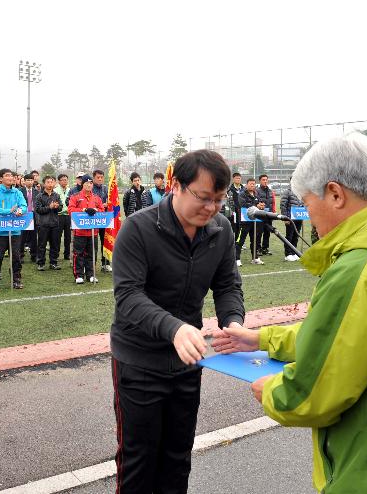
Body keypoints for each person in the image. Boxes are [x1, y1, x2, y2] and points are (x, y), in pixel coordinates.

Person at [212, 132, 367, 493]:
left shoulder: (360, 268)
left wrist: (272, 391)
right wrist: (260, 338)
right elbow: (345, 337)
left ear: (335, 194)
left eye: (308, 204)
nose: (309, 218)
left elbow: (315, 392)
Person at [111, 149, 245, 493]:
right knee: (138, 462)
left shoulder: (220, 230)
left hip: (188, 362)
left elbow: (228, 284)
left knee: (177, 457)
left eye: (219, 199)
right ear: (176, 186)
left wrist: (233, 321)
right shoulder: (138, 229)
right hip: (139, 362)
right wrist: (175, 327)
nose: (211, 208)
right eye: (203, 198)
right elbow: (128, 297)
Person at [0, 168, 28, 291]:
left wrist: (20, 210)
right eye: (7, 176)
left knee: (16, 256)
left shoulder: (17, 192)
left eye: (12, 176)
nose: (11, 178)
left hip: (15, 230)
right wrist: (8, 211)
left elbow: (23, 205)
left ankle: (16, 279)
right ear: (0, 179)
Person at [68, 175, 104, 284]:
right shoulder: (75, 196)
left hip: (93, 231)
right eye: (86, 183)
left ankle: (91, 274)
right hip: (79, 231)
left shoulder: (97, 198)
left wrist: (95, 210)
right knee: (78, 253)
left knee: (92, 253)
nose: (89, 185)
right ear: (82, 184)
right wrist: (83, 210)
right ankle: (79, 275)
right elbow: (70, 209)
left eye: (91, 183)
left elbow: (102, 210)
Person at [34, 175, 63, 271]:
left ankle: (53, 262)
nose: (50, 184)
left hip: (55, 224)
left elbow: (61, 207)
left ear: (54, 183)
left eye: (52, 182)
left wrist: (56, 206)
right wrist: (49, 207)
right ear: (44, 184)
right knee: (41, 245)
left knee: (55, 244)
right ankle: (41, 263)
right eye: (48, 182)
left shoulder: (56, 195)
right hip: (43, 224)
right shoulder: (39, 196)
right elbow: (38, 209)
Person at [236, 177, 265, 266]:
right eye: (250, 184)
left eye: (253, 184)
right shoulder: (242, 194)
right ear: (246, 185)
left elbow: (261, 203)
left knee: (255, 240)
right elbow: (243, 204)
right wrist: (256, 205)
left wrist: (262, 205)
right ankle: (236, 258)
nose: (252, 185)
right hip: (245, 221)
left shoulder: (257, 194)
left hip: (255, 222)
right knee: (240, 240)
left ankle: (255, 257)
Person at [91, 169, 112, 272]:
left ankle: (106, 263)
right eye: (97, 177)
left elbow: (110, 201)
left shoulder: (105, 188)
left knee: (105, 241)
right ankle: (92, 264)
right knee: (93, 242)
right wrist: (100, 206)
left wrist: (108, 205)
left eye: (101, 177)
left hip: (105, 218)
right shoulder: (90, 188)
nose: (100, 179)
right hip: (93, 218)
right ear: (93, 178)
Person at [279, 179, 303, 261]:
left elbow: (303, 204)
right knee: (289, 236)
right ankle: (288, 254)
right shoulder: (287, 192)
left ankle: (294, 252)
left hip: (299, 217)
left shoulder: (300, 192)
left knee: (296, 235)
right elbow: (283, 205)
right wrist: (285, 217)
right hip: (290, 218)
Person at [256, 173, 276, 256]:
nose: (265, 181)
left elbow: (273, 202)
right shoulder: (256, 191)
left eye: (266, 180)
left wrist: (273, 212)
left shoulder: (270, 191)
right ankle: (257, 249)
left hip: (269, 215)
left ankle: (265, 248)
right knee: (259, 233)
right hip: (260, 215)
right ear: (260, 181)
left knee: (267, 232)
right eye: (263, 180)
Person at [54, 173, 72, 261]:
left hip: (68, 216)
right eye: (63, 180)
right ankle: (56, 254)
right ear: (59, 181)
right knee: (57, 236)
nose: (65, 181)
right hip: (59, 215)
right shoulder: (55, 190)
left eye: (66, 180)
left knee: (68, 236)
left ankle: (67, 254)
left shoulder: (70, 190)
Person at [227, 172, 243, 241]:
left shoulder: (244, 189)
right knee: (233, 226)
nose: (238, 180)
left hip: (242, 211)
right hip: (233, 212)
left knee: (240, 226)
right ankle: (232, 241)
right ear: (233, 179)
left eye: (239, 178)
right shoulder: (229, 189)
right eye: (236, 178)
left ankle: (238, 242)